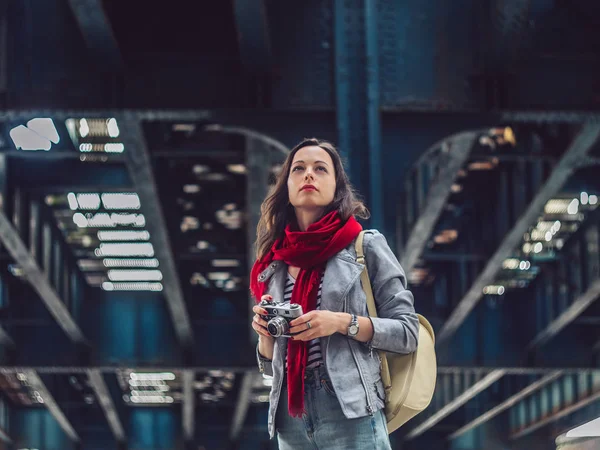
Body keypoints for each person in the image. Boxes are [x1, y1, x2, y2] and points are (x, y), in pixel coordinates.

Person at [250, 138, 419, 449]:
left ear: (337, 187)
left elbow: (408, 333)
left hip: (350, 408)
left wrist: (342, 323)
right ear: (287, 187)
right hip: (291, 415)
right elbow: (268, 366)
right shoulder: (272, 264)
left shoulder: (365, 246)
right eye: (298, 169)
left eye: (320, 169)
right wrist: (265, 335)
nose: (308, 175)